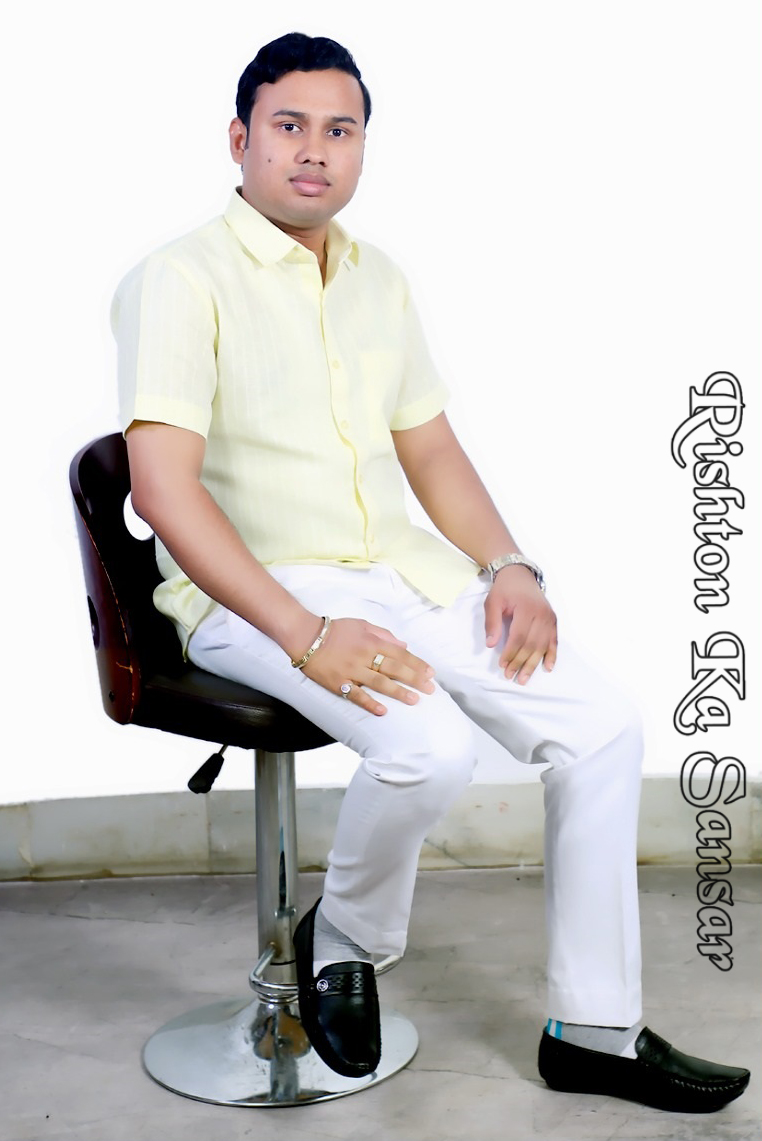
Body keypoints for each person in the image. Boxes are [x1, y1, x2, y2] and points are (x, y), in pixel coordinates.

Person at [112, 32, 750, 1112]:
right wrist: (308, 632)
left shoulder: (379, 279)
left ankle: (594, 1030)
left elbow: (432, 449)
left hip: (396, 573)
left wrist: (509, 564)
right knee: (430, 747)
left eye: (340, 129)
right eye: (289, 125)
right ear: (239, 138)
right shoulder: (178, 279)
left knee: (602, 725)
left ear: (363, 147)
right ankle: (343, 940)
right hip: (256, 593)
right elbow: (166, 492)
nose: (315, 150)